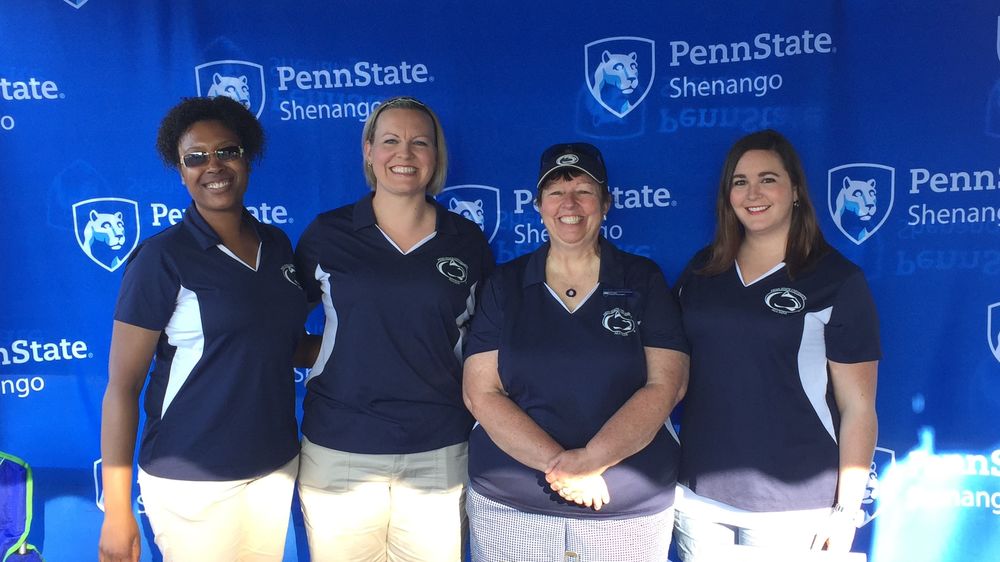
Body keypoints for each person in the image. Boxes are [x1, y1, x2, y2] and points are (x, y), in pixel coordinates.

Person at [98, 96, 308, 562]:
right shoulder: (162, 257)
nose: (213, 166)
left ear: (246, 157)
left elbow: (280, 346)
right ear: (180, 171)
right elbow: (122, 386)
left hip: (273, 467)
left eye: (227, 151)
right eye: (195, 158)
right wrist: (116, 511)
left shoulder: (275, 245)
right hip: (191, 483)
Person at [462, 142, 690, 562]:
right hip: (511, 503)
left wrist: (593, 461)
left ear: (606, 203)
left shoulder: (643, 280)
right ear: (539, 205)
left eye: (584, 190)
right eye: (555, 192)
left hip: (625, 508)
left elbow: (667, 385)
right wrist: (566, 467)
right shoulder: (505, 285)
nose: (570, 204)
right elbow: (481, 393)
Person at [294, 96, 494, 562]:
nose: (404, 154)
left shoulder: (466, 241)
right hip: (340, 448)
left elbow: (487, 348)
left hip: (438, 450)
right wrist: (340, 353)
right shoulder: (328, 234)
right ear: (368, 151)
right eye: (390, 141)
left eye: (419, 143)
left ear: (436, 157)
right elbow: (274, 326)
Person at [671, 129, 880, 559]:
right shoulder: (702, 271)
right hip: (698, 495)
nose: (753, 193)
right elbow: (668, 374)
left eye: (768, 179)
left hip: (794, 505)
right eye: (739, 181)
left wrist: (846, 511)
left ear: (797, 191)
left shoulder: (836, 280)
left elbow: (859, 408)